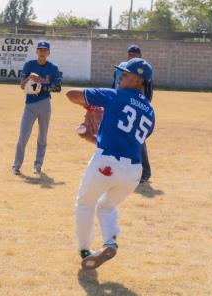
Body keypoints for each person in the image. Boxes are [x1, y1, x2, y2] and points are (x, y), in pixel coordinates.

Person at [66, 58, 155, 269]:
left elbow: (71, 94)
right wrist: (91, 137)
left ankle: (85, 250)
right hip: (133, 171)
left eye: (126, 73)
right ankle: (110, 242)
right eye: (121, 72)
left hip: (106, 163)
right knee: (106, 206)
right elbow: (126, 141)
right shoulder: (151, 112)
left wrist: (91, 106)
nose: (121, 74)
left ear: (139, 81)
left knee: (85, 203)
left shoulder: (114, 95)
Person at [12, 41, 62, 175]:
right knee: (23, 135)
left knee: (42, 136)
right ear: (36, 51)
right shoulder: (29, 65)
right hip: (30, 104)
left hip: (45, 103)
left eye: (45, 50)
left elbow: (57, 88)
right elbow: (22, 86)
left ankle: (38, 165)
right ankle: (17, 165)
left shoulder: (53, 68)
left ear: (48, 52)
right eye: (40, 49)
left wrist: (40, 82)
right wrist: (29, 77)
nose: (42, 52)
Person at [113, 45, 153, 183]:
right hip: (120, 104)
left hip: (136, 107)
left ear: (140, 56)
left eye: (135, 54)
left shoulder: (144, 71)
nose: (132, 56)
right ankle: (120, 169)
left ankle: (145, 172)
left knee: (138, 140)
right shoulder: (120, 68)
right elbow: (114, 85)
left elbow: (148, 92)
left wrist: (143, 108)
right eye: (130, 54)